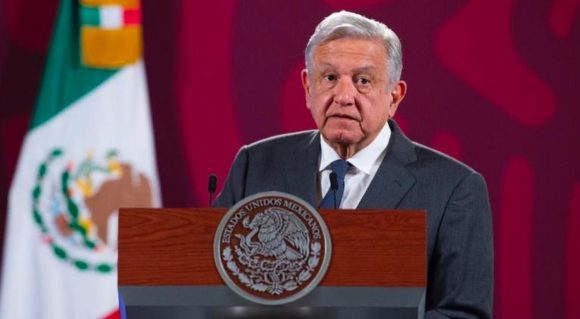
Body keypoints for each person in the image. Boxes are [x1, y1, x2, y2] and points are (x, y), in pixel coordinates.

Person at [215, 10, 493, 319]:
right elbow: (208, 286)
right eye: (330, 78)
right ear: (309, 87)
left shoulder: (453, 188)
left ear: (394, 97)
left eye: (362, 81)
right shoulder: (255, 165)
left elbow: (464, 314)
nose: (343, 96)